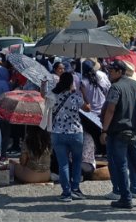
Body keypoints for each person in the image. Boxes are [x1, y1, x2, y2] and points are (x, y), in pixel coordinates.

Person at [101, 60, 136, 210]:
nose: (109, 73)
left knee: (121, 165)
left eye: (112, 70)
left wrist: (104, 130)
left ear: (120, 72)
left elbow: (110, 109)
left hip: (119, 131)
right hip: (135, 130)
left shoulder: (115, 87)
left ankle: (125, 198)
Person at [50, 71, 86, 202]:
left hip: (58, 133)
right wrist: (83, 92)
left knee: (63, 164)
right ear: (71, 83)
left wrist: (43, 86)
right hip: (76, 133)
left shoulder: (53, 95)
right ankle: (75, 189)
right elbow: (88, 108)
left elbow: (44, 98)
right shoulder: (76, 96)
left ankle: (66, 192)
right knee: (77, 161)